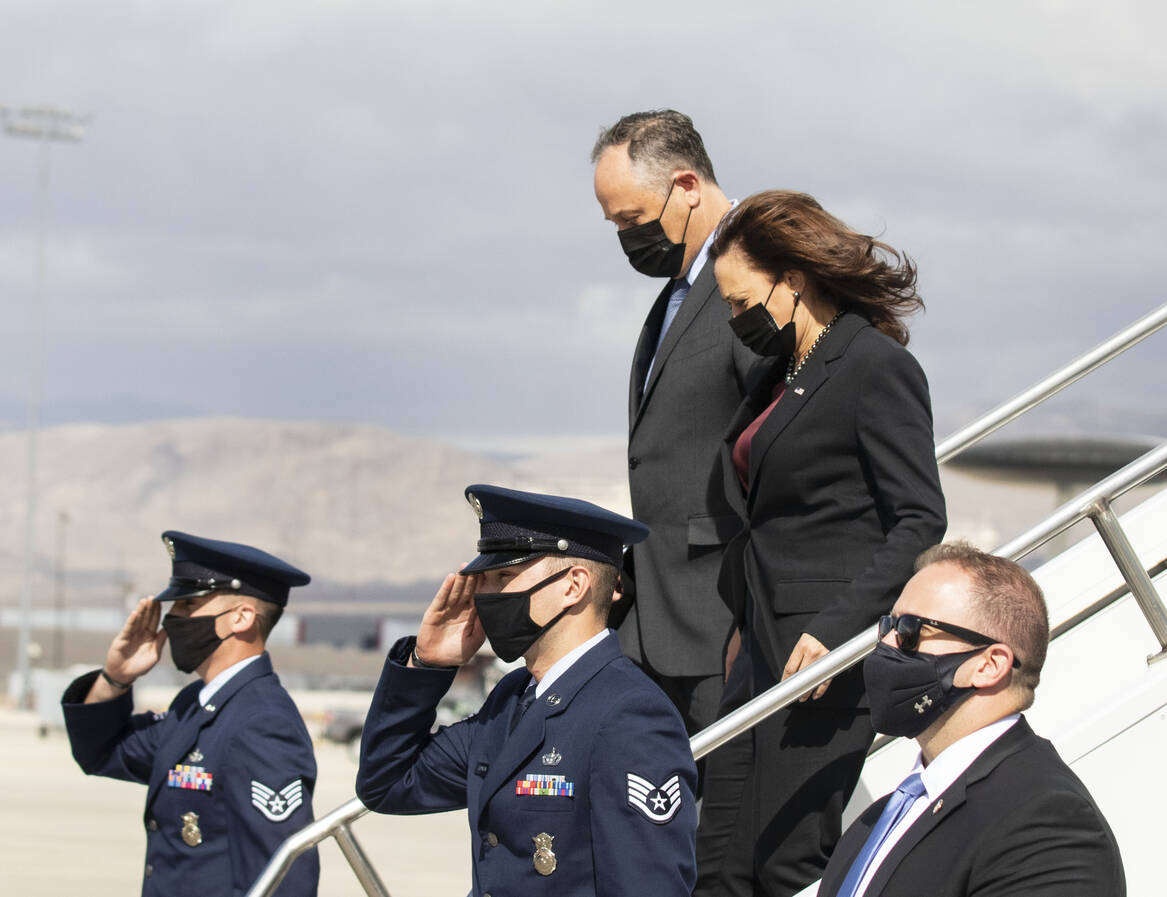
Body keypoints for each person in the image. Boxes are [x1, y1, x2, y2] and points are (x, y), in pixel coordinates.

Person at [696, 190, 948, 895]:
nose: (736, 320)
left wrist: (841, 631)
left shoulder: (873, 367)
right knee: (717, 865)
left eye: (743, 303)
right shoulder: (779, 378)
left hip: (820, 664)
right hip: (758, 657)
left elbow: (920, 518)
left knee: (786, 864)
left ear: (794, 280)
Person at [356, 484, 697, 897]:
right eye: (484, 580)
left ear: (573, 586)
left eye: (503, 577)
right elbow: (388, 783)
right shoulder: (512, 698)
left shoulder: (629, 714)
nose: (484, 597)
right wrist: (427, 665)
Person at [818, 542, 1126, 897]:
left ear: (990, 665)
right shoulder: (877, 821)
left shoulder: (1047, 819)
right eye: (887, 625)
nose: (886, 643)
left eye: (909, 630)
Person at [591, 109, 756, 739]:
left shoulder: (759, 272)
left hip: (722, 619)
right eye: (615, 226)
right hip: (657, 622)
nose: (629, 240)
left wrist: (755, 614)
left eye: (632, 219)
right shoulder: (677, 294)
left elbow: (780, 443)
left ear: (687, 186)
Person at [61, 531, 319, 897]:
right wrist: (116, 679)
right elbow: (102, 752)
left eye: (187, 605)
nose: (171, 620)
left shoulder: (262, 722)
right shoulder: (194, 704)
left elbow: (282, 874)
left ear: (241, 618)